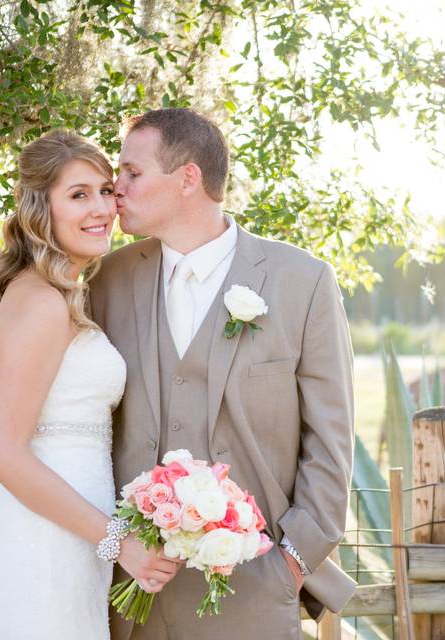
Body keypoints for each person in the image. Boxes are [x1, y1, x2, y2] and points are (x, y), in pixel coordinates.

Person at [88, 107, 356, 639]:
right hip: (127, 597)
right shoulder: (106, 279)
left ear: (188, 178)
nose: (114, 189)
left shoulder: (302, 282)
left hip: (253, 591)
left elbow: (331, 442)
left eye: (132, 173)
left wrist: (290, 566)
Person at [0, 130, 180, 640]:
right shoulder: (39, 299)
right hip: (41, 546)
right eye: (78, 195)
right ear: (41, 211)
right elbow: (3, 451)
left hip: (73, 535)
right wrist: (120, 543)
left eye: (106, 190)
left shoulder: (64, 294)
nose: (100, 207)